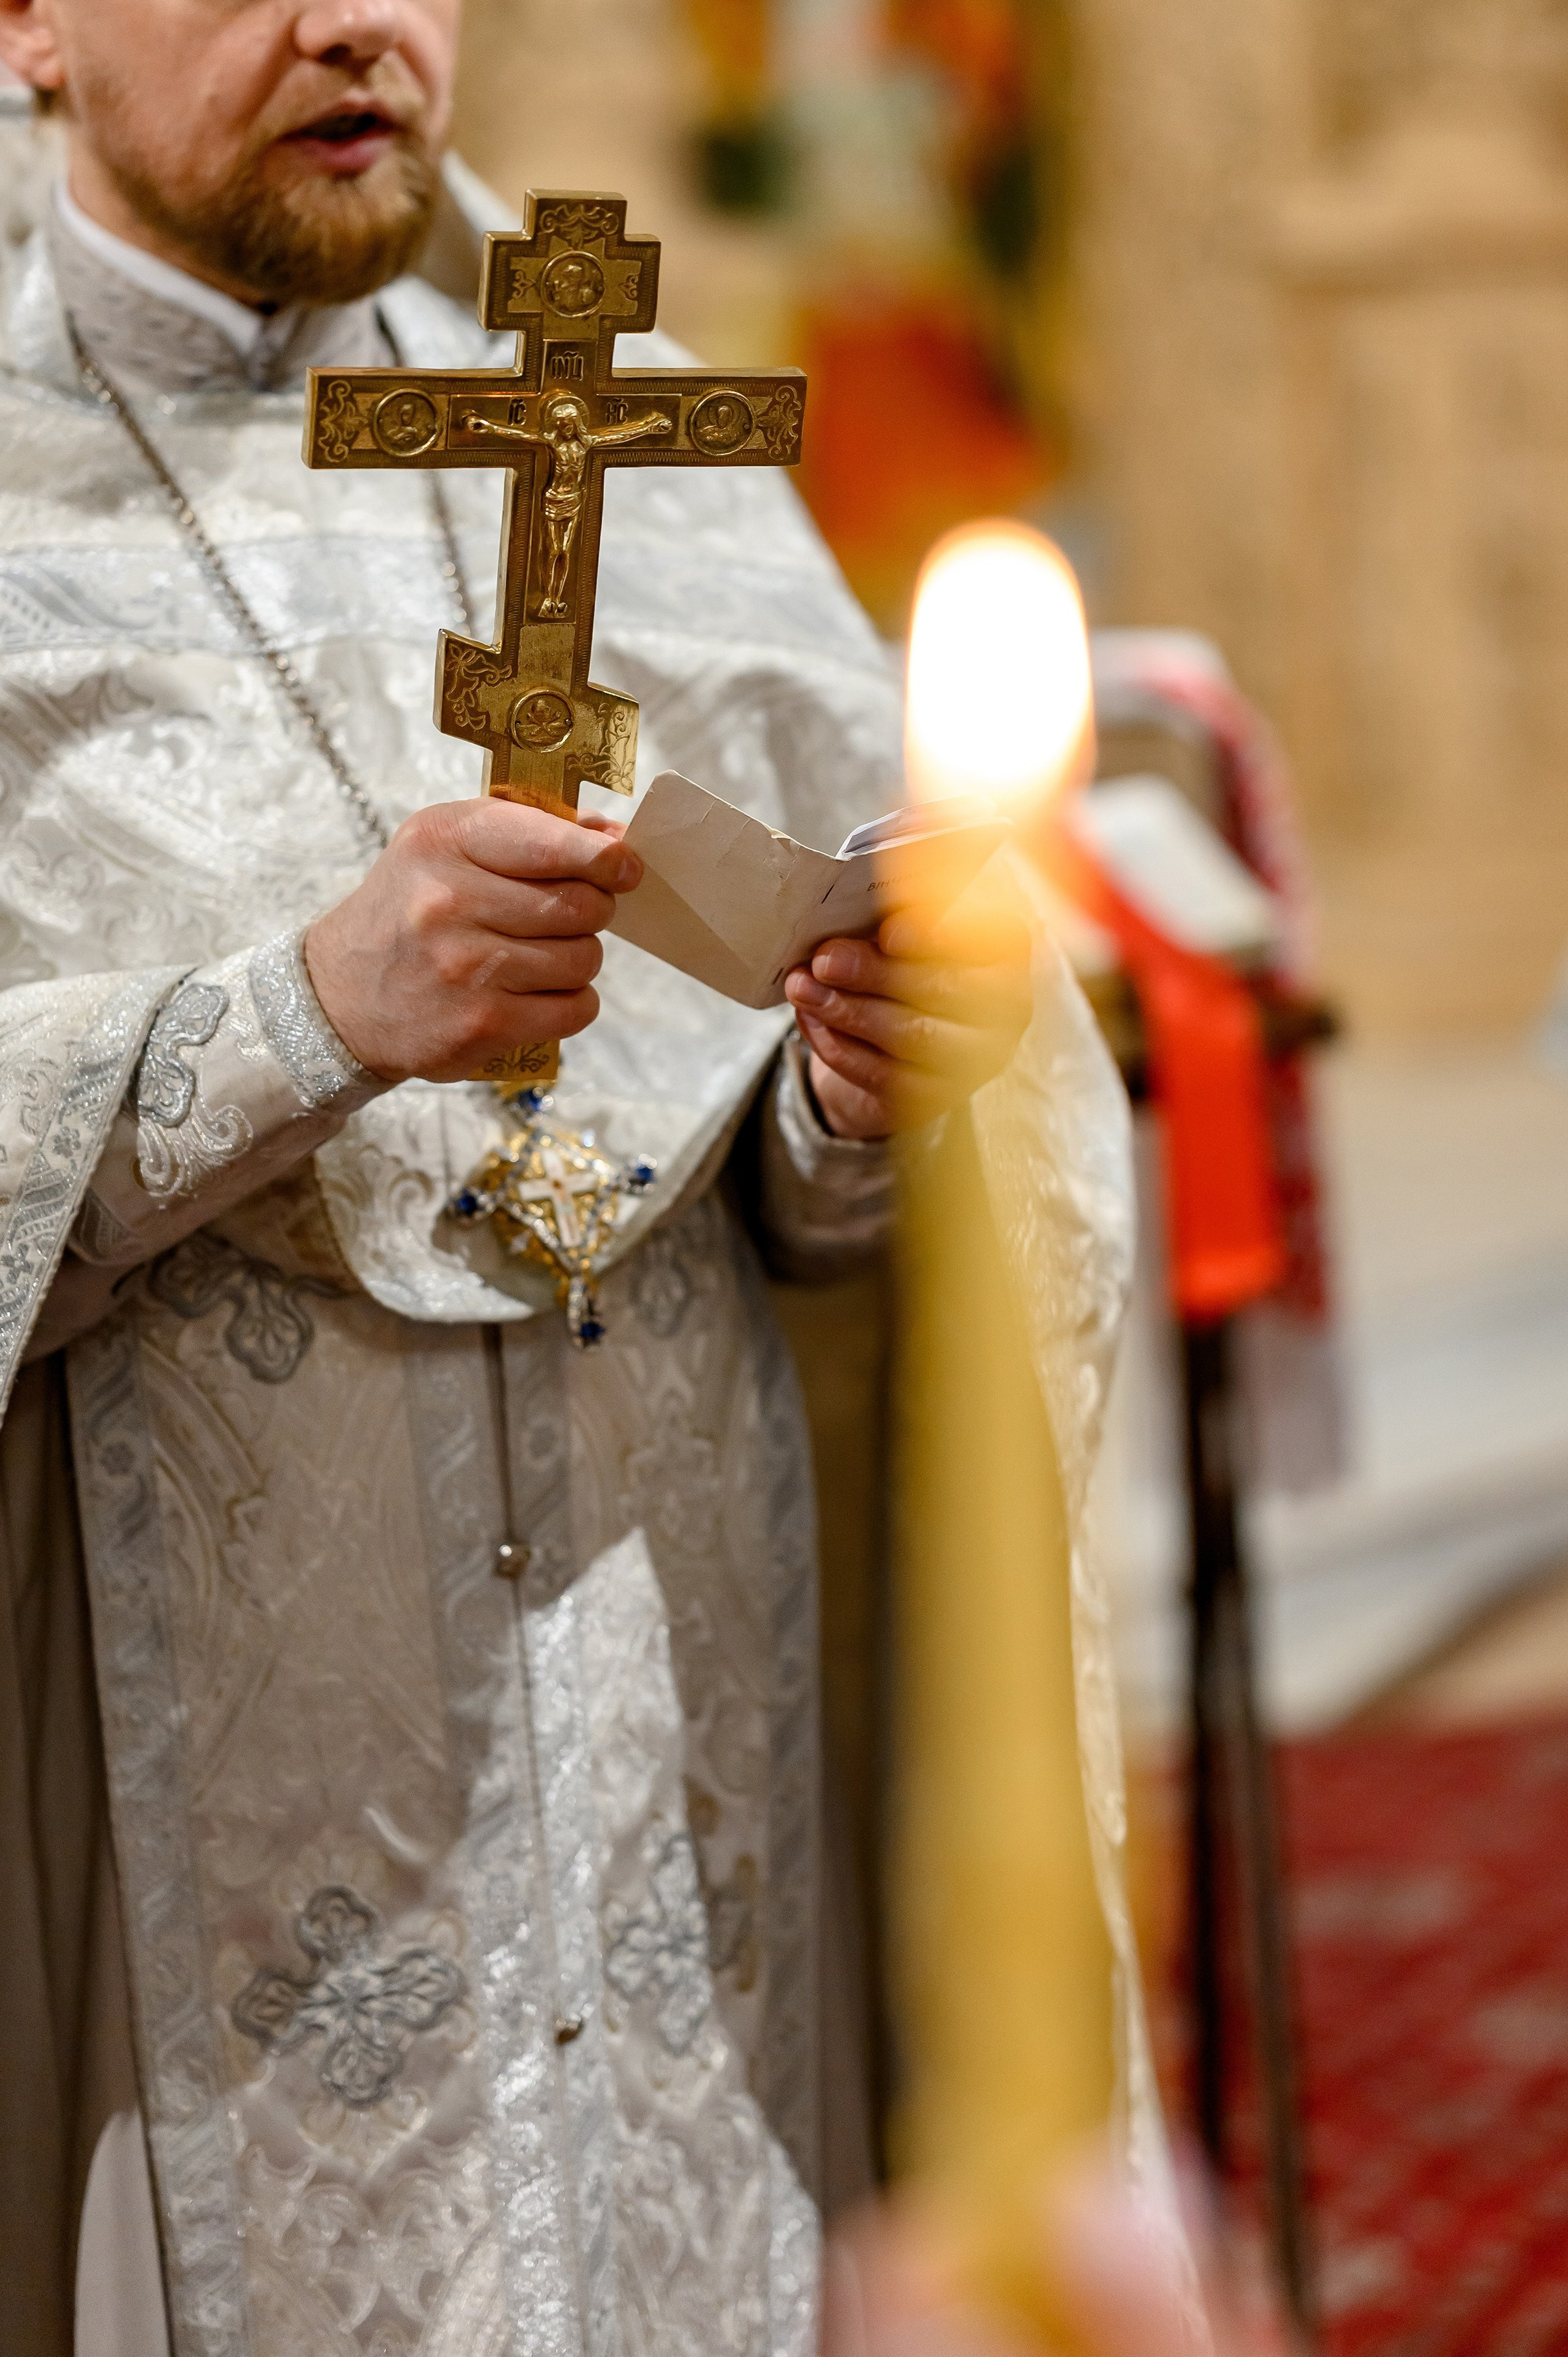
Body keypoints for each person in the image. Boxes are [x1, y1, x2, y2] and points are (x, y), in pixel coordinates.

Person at [0, 3, 1133, 2353]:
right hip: (221, 1818)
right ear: (29, 25)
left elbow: (837, 1226)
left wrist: (860, 1095)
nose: (354, 25)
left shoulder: (647, 434)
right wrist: (307, 1014)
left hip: (674, 1736)